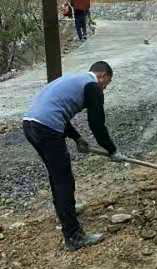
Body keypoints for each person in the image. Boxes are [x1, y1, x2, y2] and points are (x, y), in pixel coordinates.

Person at [23, 61, 123, 251]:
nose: (104, 89)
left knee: (56, 175)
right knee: (64, 180)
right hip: (47, 127)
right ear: (102, 76)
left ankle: (65, 211)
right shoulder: (92, 86)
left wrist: (77, 138)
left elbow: (56, 108)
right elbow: (97, 124)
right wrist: (112, 150)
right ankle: (73, 236)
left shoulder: (74, 79)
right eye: (106, 84)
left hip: (30, 124)